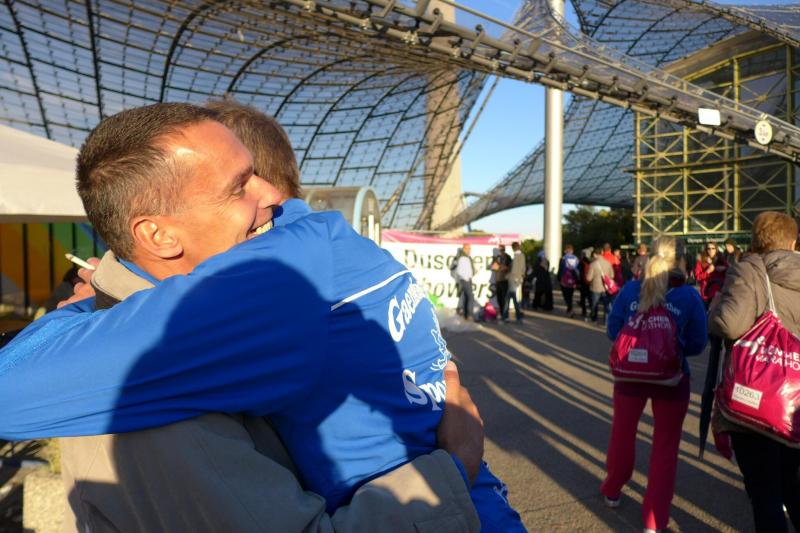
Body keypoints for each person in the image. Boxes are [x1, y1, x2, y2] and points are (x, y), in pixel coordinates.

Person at [0, 103, 511, 529]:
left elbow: (11, 391)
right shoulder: (321, 242)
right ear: (158, 235)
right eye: (240, 185)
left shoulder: (272, 279)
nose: (272, 196)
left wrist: (91, 310)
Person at [602, 236, 707, 533]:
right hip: (672, 379)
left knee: (622, 435)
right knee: (665, 448)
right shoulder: (688, 296)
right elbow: (698, 343)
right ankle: (654, 518)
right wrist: (668, 348)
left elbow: (613, 330)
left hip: (629, 376)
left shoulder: (631, 289)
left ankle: (613, 487)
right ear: (681, 260)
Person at [709, 211, 800, 533]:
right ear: (792, 242)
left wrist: (715, 309)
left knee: (765, 496)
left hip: (755, 403)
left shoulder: (749, 269)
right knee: (793, 486)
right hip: (797, 405)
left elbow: (729, 324)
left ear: (757, 240)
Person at [693, 242, 728, 308]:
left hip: (719, 293)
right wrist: (708, 271)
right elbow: (697, 277)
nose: (711, 250)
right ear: (706, 250)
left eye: (713, 248)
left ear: (716, 249)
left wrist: (724, 269)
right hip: (707, 294)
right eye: (708, 248)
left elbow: (730, 272)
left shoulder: (721, 260)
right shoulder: (701, 261)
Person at [585, 248, 613, 325]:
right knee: (606, 305)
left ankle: (594, 320)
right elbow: (612, 275)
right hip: (606, 288)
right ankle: (606, 321)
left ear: (595, 254)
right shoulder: (608, 263)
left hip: (595, 287)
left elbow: (589, 278)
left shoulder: (593, 264)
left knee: (595, 304)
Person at [503, 242, 525, 323]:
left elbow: (514, 270)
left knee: (510, 298)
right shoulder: (522, 255)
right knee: (512, 298)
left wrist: (507, 276)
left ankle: (507, 316)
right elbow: (523, 269)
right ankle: (516, 316)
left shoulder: (516, 256)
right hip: (518, 280)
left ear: (513, 248)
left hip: (513, 280)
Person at [557, 245, 580, 318]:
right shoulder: (576, 258)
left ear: (565, 251)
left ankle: (570, 309)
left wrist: (559, 279)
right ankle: (569, 308)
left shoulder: (563, 258)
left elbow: (560, 269)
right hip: (573, 280)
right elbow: (578, 270)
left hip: (564, 280)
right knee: (570, 295)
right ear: (572, 251)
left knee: (566, 296)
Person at [454, 243, 475, 320]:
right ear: (464, 249)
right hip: (465, 280)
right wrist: (466, 278)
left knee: (466, 297)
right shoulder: (462, 258)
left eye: (470, 248)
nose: (469, 250)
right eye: (468, 248)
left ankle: (466, 315)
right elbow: (459, 271)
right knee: (470, 297)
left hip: (467, 279)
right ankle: (469, 315)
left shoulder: (466, 257)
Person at [491, 245, 512, 319]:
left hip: (504, 280)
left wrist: (499, 267)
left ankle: (505, 314)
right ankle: (502, 313)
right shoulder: (497, 257)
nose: (501, 251)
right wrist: (500, 267)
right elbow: (493, 267)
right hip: (498, 280)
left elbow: (507, 267)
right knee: (499, 298)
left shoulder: (508, 257)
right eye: (500, 250)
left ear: (504, 249)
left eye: (502, 250)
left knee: (504, 298)